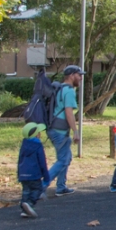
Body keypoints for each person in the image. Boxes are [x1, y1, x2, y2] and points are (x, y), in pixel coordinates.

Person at [44, 64, 82, 195]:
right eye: (79, 75)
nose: (81, 78)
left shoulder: (60, 88)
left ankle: (61, 187)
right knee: (62, 160)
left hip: (53, 127)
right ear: (71, 76)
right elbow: (69, 113)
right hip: (59, 131)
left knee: (67, 157)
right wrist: (75, 131)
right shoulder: (69, 91)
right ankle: (41, 187)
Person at [16, 121, 49, 218]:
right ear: (36, 134)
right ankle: (30, 204)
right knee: (37, 189)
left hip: (23, 174)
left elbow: (20, 160)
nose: (40, 134)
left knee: (26, 191)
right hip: (34, 174)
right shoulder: (38, 145)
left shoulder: (24, 145)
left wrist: (19, 174)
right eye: (39, 132)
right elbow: (42, 162)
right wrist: (46, 176)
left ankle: (24, 209)